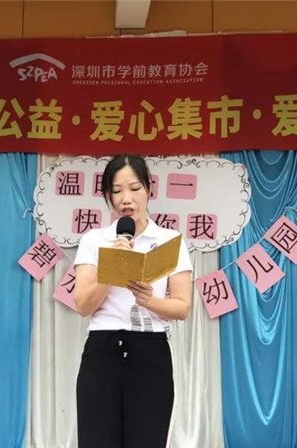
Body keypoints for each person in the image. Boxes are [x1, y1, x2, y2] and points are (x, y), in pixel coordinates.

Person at [73, 154, 193, 448]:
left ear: (149, 189)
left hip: (150, 351)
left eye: (135, 188)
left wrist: (149, 299)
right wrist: (112, 266)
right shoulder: (94, 240)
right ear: (108, 195)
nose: (126, 199)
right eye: (116, 191)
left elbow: (182, 307)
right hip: (102, 351)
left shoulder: (169, 240)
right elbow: (83, 305)